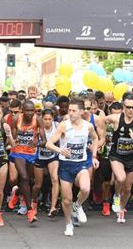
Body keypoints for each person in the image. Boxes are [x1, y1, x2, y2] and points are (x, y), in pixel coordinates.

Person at [46, 99, 100, 237]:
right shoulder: (64, 126)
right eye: (69, 110)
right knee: (66, 200)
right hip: (65, 165)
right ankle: (69, 223)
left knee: (85, 188)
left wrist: (94, 155)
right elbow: (49, 144)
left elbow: (95, 139)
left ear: (81, 112)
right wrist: (60, 150)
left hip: (81, 162)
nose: (70, 113)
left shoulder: (88, 126)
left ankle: (78, 205)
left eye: (73, 110)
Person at [106, 93, 133, 223]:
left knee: (128, 188)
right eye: (128, 107)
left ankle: (121, 210)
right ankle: (116, 196)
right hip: (116, 155)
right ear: (123, 107)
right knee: (121, 177)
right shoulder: (116, 118)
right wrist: (104, 134)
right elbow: (99, 120)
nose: (130, 110)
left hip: (132, 157)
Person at [10, 100, 47, 223]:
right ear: (22, 110)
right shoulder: (16, 119)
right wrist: (12, 141)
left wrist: (36, 143)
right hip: (18, 152)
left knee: (29, 180)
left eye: (32, 110)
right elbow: (13, 138)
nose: (30, 113)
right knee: (24, 178)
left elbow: (44, 140)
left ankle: (17, 193)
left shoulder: (38, 120)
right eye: (27, 110)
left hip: (32, 153)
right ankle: (30, 210)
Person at [32, 109, 60, 218]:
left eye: (49, 119)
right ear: (42, 119)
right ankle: (34, 202)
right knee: (38, 184)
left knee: (54, 179)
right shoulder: (38, 128)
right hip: (39, 157)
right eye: (45, 119)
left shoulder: (57, 126)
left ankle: (52, 207)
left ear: (53, 119)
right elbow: (33, 142)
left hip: (52, 156)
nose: (47, 121)